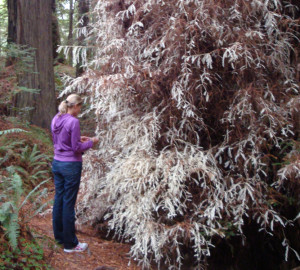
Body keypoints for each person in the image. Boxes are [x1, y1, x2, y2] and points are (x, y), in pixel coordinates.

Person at [50, 93, 99, 253]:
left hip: (57, 163)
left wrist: (79, 138)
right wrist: (91, 142)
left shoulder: (56, 118)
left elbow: (62, 140)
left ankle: (59, 238)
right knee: (68, 203)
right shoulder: (74, 121)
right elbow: (76, 148)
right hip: (71, 165)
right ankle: (70, 244)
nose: (80, 110)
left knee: (59, 199)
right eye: (80, 107)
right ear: (75, 106)